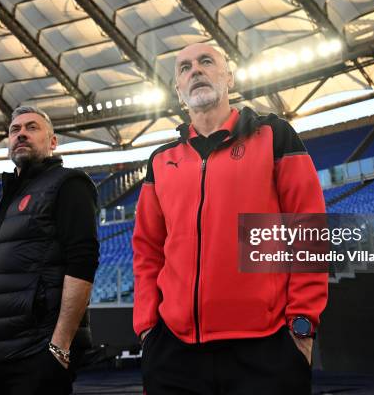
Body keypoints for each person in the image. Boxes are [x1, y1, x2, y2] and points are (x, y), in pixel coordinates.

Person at [132, 43, 328, 394]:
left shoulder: (274, 136)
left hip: (266, 348)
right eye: (185, 68)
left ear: (229, 78)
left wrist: (302, 327)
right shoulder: (161, 161)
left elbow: (309, 229)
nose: (195, 70)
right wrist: (148, 330)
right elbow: (148, 250)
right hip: (174, 352)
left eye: (206, 62)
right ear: (179, 91)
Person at [0, 106, 99, 395]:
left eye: (32, 128)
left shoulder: (69, 184)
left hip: (36, 351)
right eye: (14, 130)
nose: (21, 134)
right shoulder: (0, 199)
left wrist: (60, 345)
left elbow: (83, 261)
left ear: (53, 141)